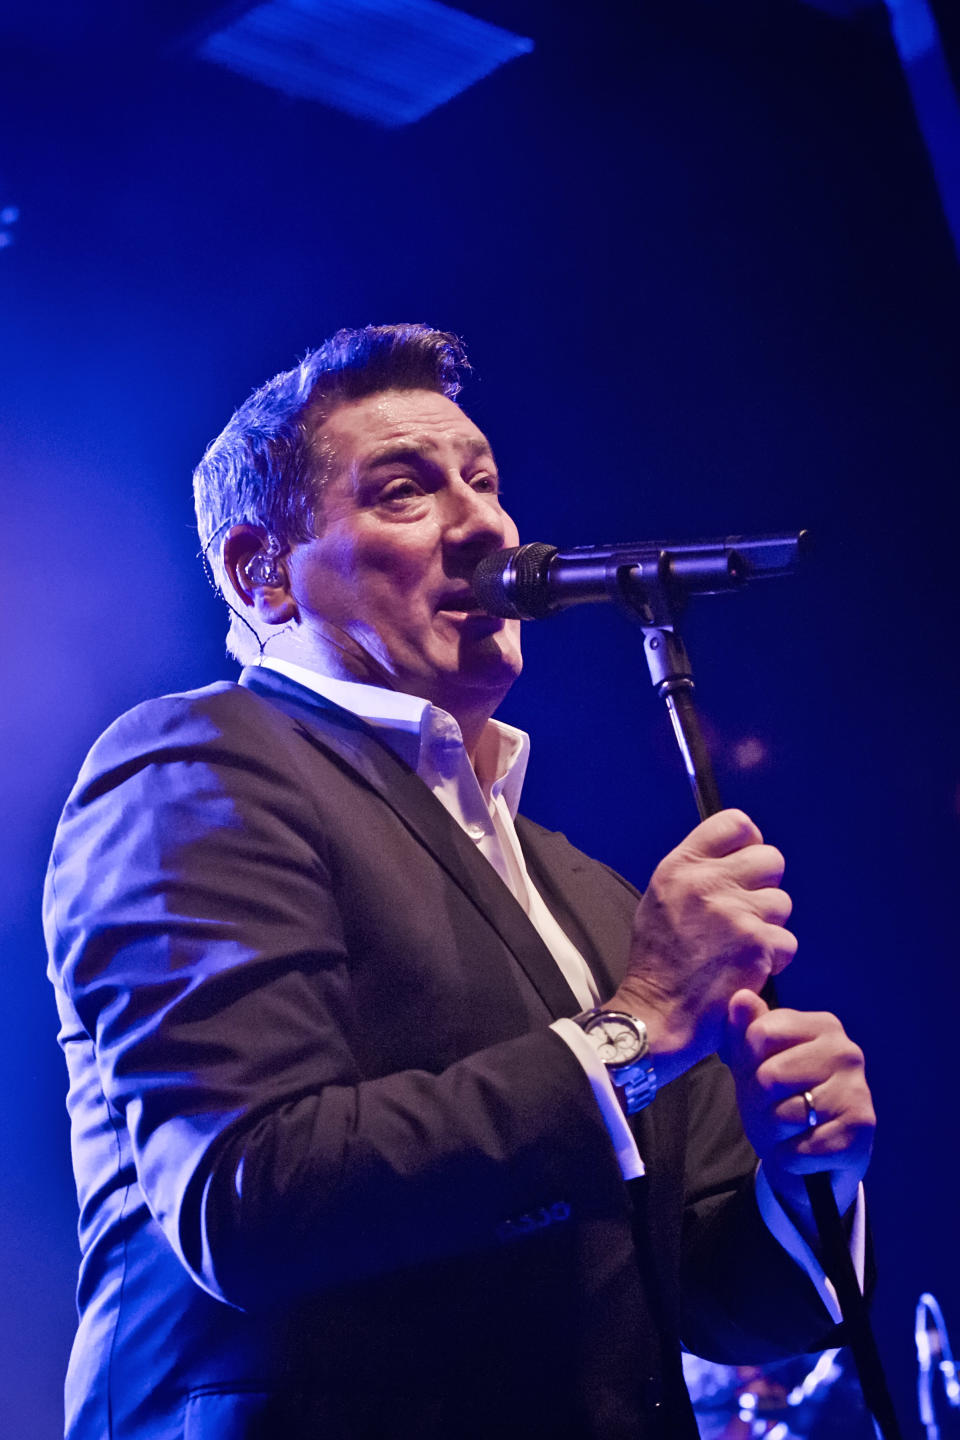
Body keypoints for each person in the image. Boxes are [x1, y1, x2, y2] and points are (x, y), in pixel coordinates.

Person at [44, 324, 875, 1440]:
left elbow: (720, 1300)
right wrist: (635, 1032)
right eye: (404, 492)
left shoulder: (585, 891)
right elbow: (250, 1198)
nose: (483, 522)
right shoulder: (196, 768)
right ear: (262, 575)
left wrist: (804, 1175)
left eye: (485, 482)